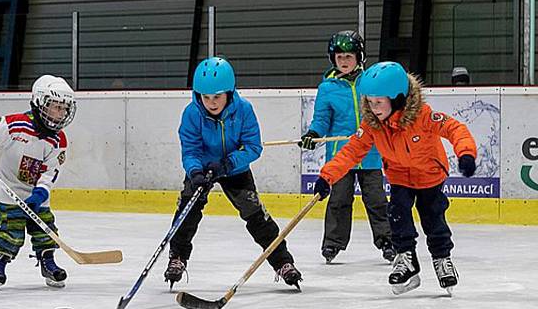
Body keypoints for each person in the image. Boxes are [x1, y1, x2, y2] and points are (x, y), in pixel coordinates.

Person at [313, 62, 477, 295]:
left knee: (433, 217)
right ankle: (406, 258)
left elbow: (455, 129)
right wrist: (326, 177)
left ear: (398, 98)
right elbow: (351, 151)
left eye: (379, 101)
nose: (373, 107)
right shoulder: (372, 125)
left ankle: (442, 259)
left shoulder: (423, 115)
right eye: (369, 101)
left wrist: (466, 154)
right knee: (397, 213)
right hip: (399, 176)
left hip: (430, 175)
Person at [164, 56, 303, 290]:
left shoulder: (244, 110)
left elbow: (253, 147)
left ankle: (283, 262)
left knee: (257, 215)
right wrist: (195, 171)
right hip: (202, 169)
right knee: (187, 212)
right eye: (205, 97)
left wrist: (228, 164)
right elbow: (190, 149)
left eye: (217, 96)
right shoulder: (191, 113)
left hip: (234, 169)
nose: (211, 102)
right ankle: (177, 257)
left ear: (229, 91)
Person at [0, 75, 76, 290]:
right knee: (12, 233)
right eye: (56, 107)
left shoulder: (58, 140)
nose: (62, 113)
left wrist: (41, 193)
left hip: (36, 196)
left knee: (45, 230)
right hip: (9, 193)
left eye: (65, 108)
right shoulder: (16, 124)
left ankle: (48, 262)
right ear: (40, 103)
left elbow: (51, 172)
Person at [300, 31, 393, 263]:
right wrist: (313, 134)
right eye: (339, 56)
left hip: (370, 153)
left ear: (359, 57)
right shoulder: (327, 88)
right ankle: (333, 243)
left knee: (377, 200)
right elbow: (321, 119)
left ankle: (388, 241)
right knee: (339, 200)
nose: (343, 61)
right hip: (341, 155)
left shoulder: (371, 82)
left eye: (348, 56)